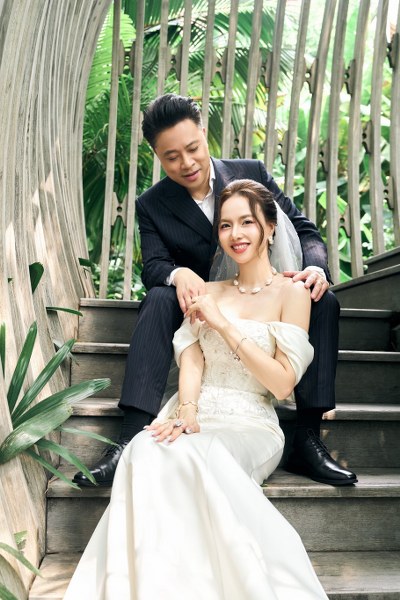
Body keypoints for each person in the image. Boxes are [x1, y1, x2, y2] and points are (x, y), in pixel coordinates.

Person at [73, 93, 357, 488]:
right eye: (172, 157)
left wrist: (314, 268)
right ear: (157, 156)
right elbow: (153, 265)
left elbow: (302, 228)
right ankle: (129, 436)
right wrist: (178, 275)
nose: (187, 163)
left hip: (260, 299)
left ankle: (308, 438)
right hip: (197, 304)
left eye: (193, 148)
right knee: (158, 296)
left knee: (319, 296)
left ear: (204, 134)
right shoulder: (152, 204)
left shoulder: (250, 172)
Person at [65, 180, 329, 599]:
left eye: (247, 222)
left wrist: (223, 325)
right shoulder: (208, 291)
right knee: (145, 448)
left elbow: (282, 383)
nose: (235, 234)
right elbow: (192, 359)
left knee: (201, 454)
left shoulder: (292, 293)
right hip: (196, 410)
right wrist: (187, 410)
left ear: (270, 227)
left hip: (252, 423)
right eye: (225, 225)